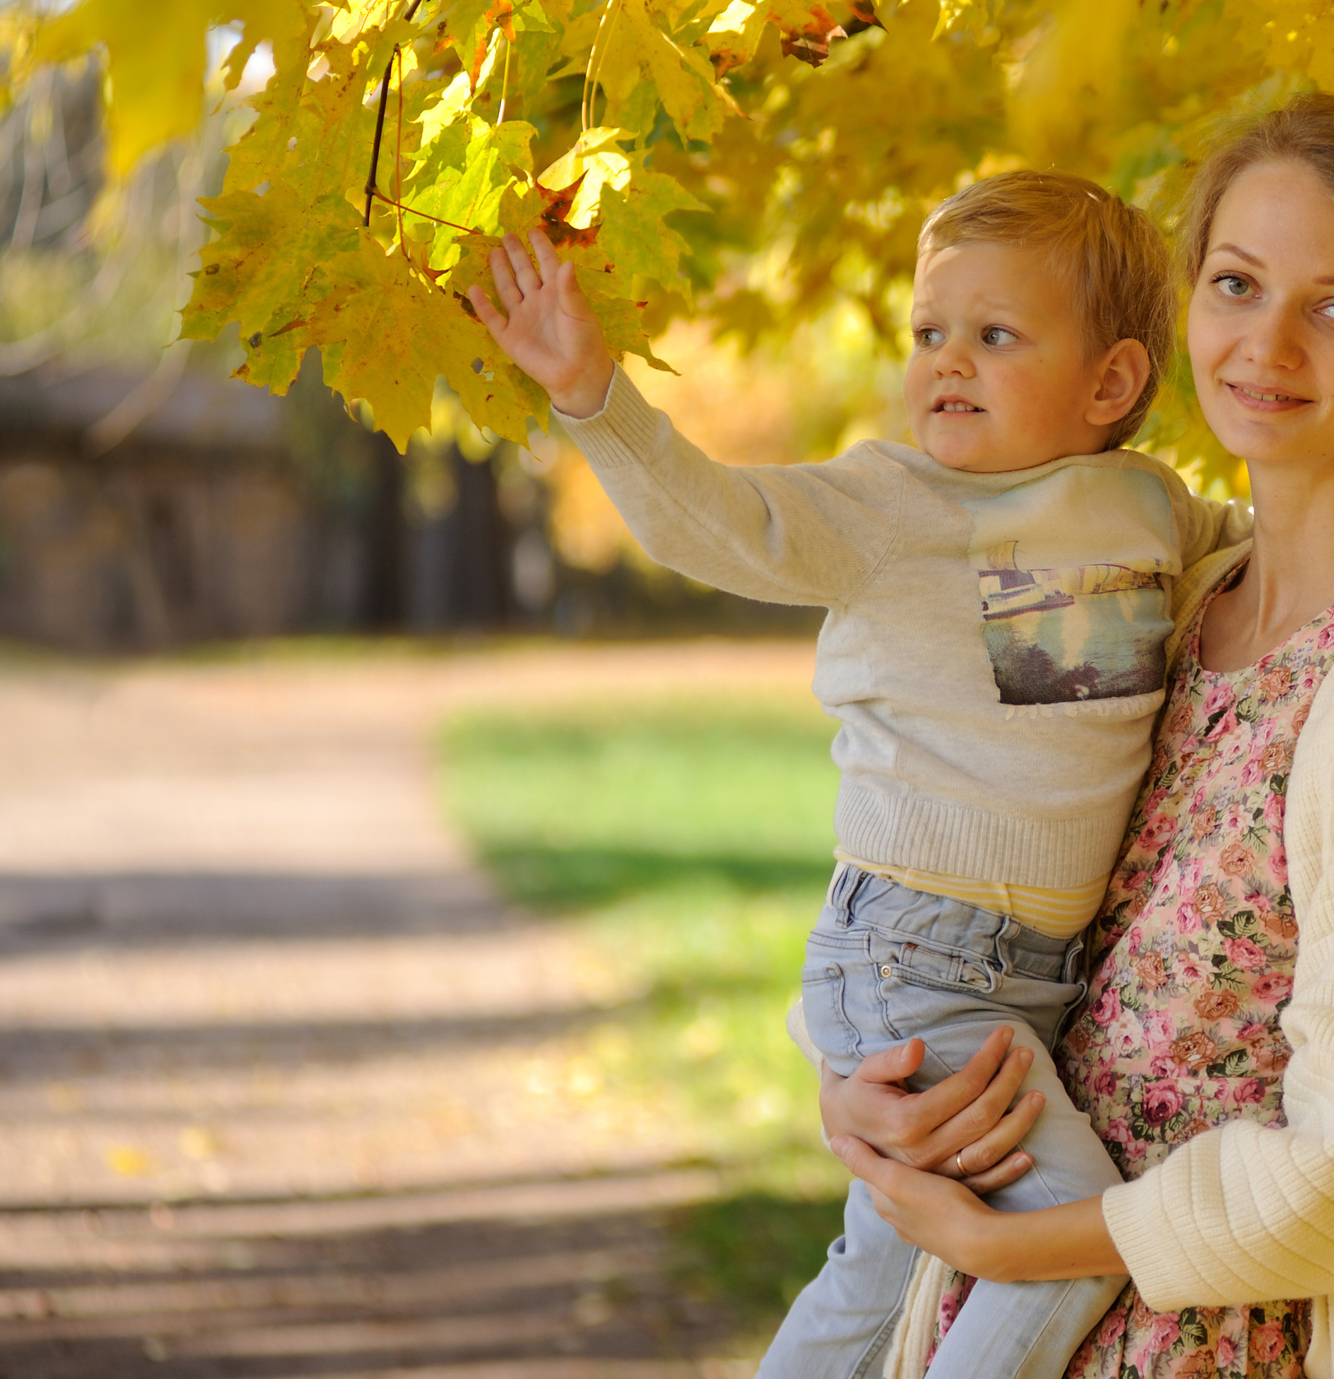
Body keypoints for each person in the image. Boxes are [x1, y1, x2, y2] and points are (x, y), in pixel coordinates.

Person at [820, 95, 1334, 1379]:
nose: (1268, 346)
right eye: (1237, 285)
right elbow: (973, 894)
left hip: (1234, 1339)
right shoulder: (1151, 592)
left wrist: (1028, 1248)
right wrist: (872, 1089)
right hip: (1006, 1308)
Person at [469, 171, 1246, 1379]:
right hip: (916, 956)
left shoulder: (1150, 509)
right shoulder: (889, 503)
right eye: (930, 333)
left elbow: (1271, 555)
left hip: (1029, 975)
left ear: (1113, 383)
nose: (946, 362)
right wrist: (589, 394)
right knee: (1077, 1240)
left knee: (882, 1274)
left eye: (995, 337)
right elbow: (715, 521)